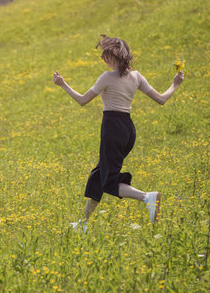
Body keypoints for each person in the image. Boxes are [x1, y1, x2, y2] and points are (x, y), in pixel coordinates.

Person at [52, 35, 184, 232]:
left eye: (105, 55)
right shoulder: (136, 76)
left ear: (111, 57)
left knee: (108, 182)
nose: (103, 59)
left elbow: (82, 100)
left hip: (112, 128)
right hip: (128, 130)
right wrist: (175, 84)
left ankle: (147, 197)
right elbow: (162, 99)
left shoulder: (107, 77)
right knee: (99, 176)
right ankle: (83, 224)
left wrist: (62, 84)